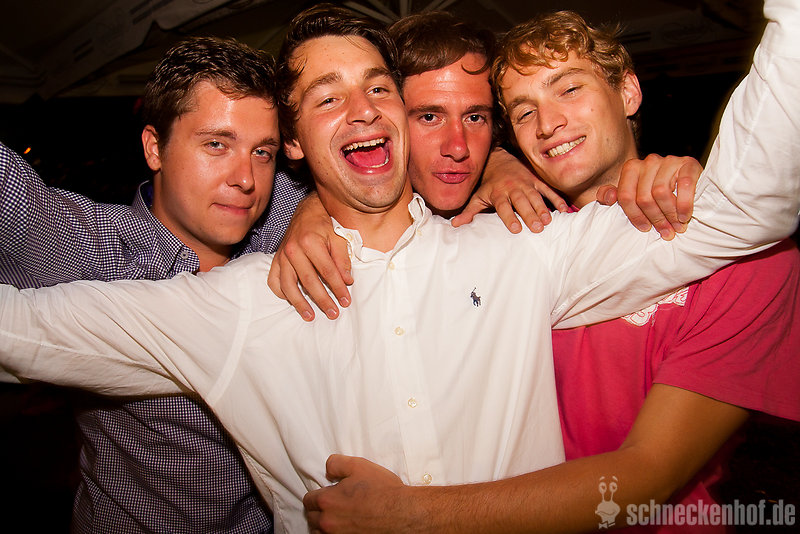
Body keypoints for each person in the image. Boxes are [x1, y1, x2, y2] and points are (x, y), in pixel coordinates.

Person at [1, 3, 799, 534]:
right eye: (327, 97)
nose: (361, 108)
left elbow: (743, 212)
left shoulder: (526, 248)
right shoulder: (236, 305)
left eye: (378, 88)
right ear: (294, 145)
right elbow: (24, 332)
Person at [293, 8, 800, 534]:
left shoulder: (747, 260)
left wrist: (412, 513)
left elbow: (647, 476)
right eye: (523, 111)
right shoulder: (500, 237)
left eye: (569, 89)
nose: (549, 123)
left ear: (628, 91)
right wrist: (313, 209)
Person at [0, 36, 310, 533]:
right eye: (216, 144)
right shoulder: (91, 249)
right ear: (154, 147)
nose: (246, 179)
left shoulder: (280, 224)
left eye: (262, 152)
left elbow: (362, 179)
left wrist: (316, 211)